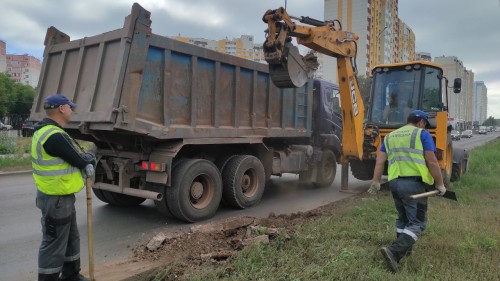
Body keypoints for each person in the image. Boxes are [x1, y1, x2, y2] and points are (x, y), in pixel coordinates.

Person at [368, 110, 446, 272]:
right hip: (413, 184)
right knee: (418, 222)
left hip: (395, 183)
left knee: (403, 218)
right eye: (425, 124)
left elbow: (380, 161)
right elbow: (432, 161)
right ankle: (394, 251)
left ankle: (405, 250)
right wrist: (440, 184)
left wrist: (376, 182)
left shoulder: (390, 136)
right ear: (422, 122)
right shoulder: (422, 135)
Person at [32, 94, 96, 281]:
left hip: (60, 197)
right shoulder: (54, 135)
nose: (71, 110)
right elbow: (78, 159)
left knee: (70, 238)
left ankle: (71, 275)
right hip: (56, 199)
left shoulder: (46, 131)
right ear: (61, 108)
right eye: (70, 107)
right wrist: (90, 157)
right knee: (54, 244)